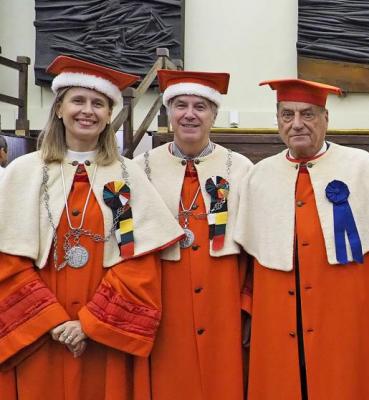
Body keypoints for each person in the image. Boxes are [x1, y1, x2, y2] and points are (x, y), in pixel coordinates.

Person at [0, 55, 182, 399]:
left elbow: (138, 263)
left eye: (98, 103)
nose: (88, 110)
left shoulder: (127, 175)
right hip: (40, 334)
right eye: (78, 101)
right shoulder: (24, 171)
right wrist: (51, 319)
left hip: (101, 334)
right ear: (59, 109)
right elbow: (7, 259)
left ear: (108, 114)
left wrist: (88, 323)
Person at [235, 78, 369, 399]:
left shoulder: (362, 168)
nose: (296, 124)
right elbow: (247, 261)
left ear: (326, 118)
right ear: (278, 119)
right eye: (287, 115)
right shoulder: (258, 176)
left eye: (307, 114)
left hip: (345, 315)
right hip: (280, 315)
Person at [136, 70, 253, 400]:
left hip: (223, 302)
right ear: (169, 112)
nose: (190, 114)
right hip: (163, 301)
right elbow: (126, 241)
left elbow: (255, 248)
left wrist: (248, 308)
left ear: (214, 115)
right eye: (181, 105)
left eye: (200, 107)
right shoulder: (139, 167)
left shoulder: (241, 168)